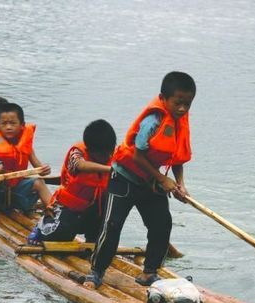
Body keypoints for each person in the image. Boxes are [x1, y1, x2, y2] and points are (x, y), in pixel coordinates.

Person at [84, 71, 196, 289]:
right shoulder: (152, 121)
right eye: (178, 103)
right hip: (124, 179)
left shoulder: (180, 122)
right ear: (163, 98)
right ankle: (96, 272)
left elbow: (177, 157)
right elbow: (137, 155)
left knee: (162, 224)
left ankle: (149, 272)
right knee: (112, 225)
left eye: (188, 104)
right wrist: (162, 179)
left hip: (150, 183)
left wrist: (180, 184)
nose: (182, 108)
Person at [28, 119, 116, 244]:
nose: (106, 158)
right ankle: (41, 227)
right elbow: (79, 165)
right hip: (68, 208)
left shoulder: (114, 156)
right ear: (90, 150)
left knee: (103, 230)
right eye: (101, 155)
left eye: (108, 153)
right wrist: (110, 169)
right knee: (58, 237)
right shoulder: (77, 153)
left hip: (93, 210)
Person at [0, 102, 52, 216]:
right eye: (4, 123)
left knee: (39, 182)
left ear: (22, 125)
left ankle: (53, 209)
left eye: (13, 123)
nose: (8, 127)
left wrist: (45, 169)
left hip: (13, 190)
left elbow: (40, 170)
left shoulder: (26, 146)